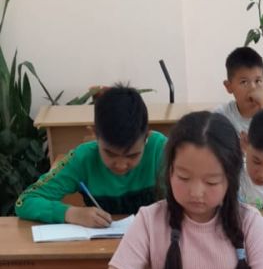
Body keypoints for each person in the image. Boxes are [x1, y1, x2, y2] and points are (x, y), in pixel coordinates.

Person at [95, 110, 263, 269]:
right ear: (170, 171)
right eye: (183, 178)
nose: (196, 192)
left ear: (230, 178)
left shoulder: (248, 221)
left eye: (211, 181)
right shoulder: (150, 219)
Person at [15, 85, 166, 225]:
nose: (121, 165)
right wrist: (70, 213)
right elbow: (25, 201)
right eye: (110, 154)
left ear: (147, 137)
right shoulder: (83, 158)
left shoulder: (160, 149)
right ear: (95, 135)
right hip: (101, 242)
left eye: (132, 156)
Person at [214, 47, 263, 136]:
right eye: (244, 82)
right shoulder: (222, 116)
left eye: (258, 81)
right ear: (229, 86)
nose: (253, 87)